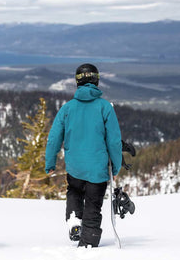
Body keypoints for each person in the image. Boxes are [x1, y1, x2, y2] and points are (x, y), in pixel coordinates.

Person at [45, 63, 122, 248]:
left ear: (77, 82)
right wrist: (116, 166)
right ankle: (88, 240)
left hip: (75, 166)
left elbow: (54, 138)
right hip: (97, 168)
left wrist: (50, 162)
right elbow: (113, 141)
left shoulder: (67, 108)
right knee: (93, 203)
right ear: (96, 80)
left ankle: (74, 221)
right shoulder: (105, 107)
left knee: (75, 192)